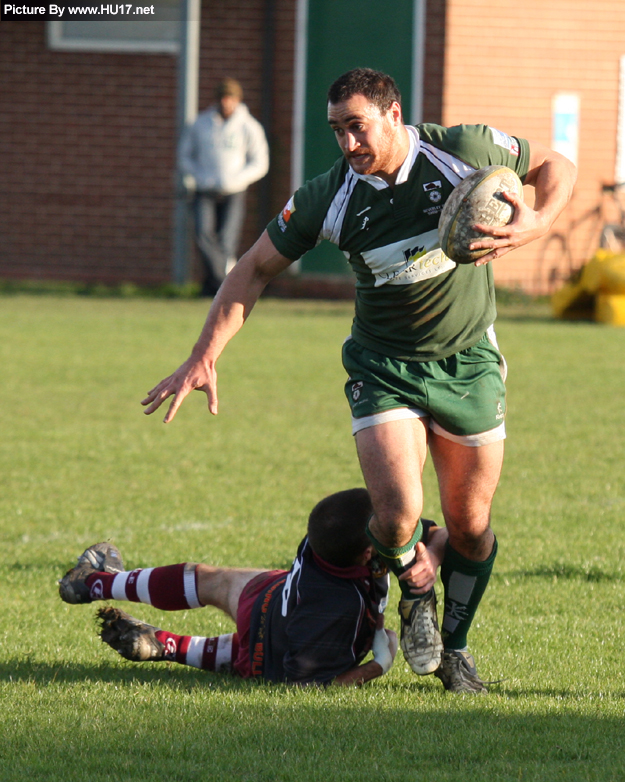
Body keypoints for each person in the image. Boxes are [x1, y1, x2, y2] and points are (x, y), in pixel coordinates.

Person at [142, 68, 577, 693]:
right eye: (337, 131)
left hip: (468, 361)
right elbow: (254, 267)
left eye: (358, 127)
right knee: (399, 514)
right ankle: (413, 594)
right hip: (382, 367)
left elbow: (554, 166)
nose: (347, 144)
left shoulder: (463, 150)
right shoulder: (329, 196)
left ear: (394, 115)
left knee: (471, 527)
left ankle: (454, 650)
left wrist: (539, 221)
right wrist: (204, 353)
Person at [59, 489, 448, 686]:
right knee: (263, 659)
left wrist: (431, 554)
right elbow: (309, 687)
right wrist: (377, 666)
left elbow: (437, 533)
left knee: (211, 580)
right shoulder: (335, 609)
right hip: (287, 652)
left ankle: (96, 583)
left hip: (267, 603)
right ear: (368, 552)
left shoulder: (326, 539)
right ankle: (174, 646)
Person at [179, 77, 269, 296]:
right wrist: (199, 176)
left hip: (234, 192)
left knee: (226, 241)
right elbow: (185, 156)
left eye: (231, 98)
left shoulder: (249, 126)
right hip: (205, 190)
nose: (226, 103)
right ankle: (225, 283)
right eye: (223, 98)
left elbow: (260, 162)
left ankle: (213, 287)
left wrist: (238, 179)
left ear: (238, 100)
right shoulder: (201, 124)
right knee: (203, 235)